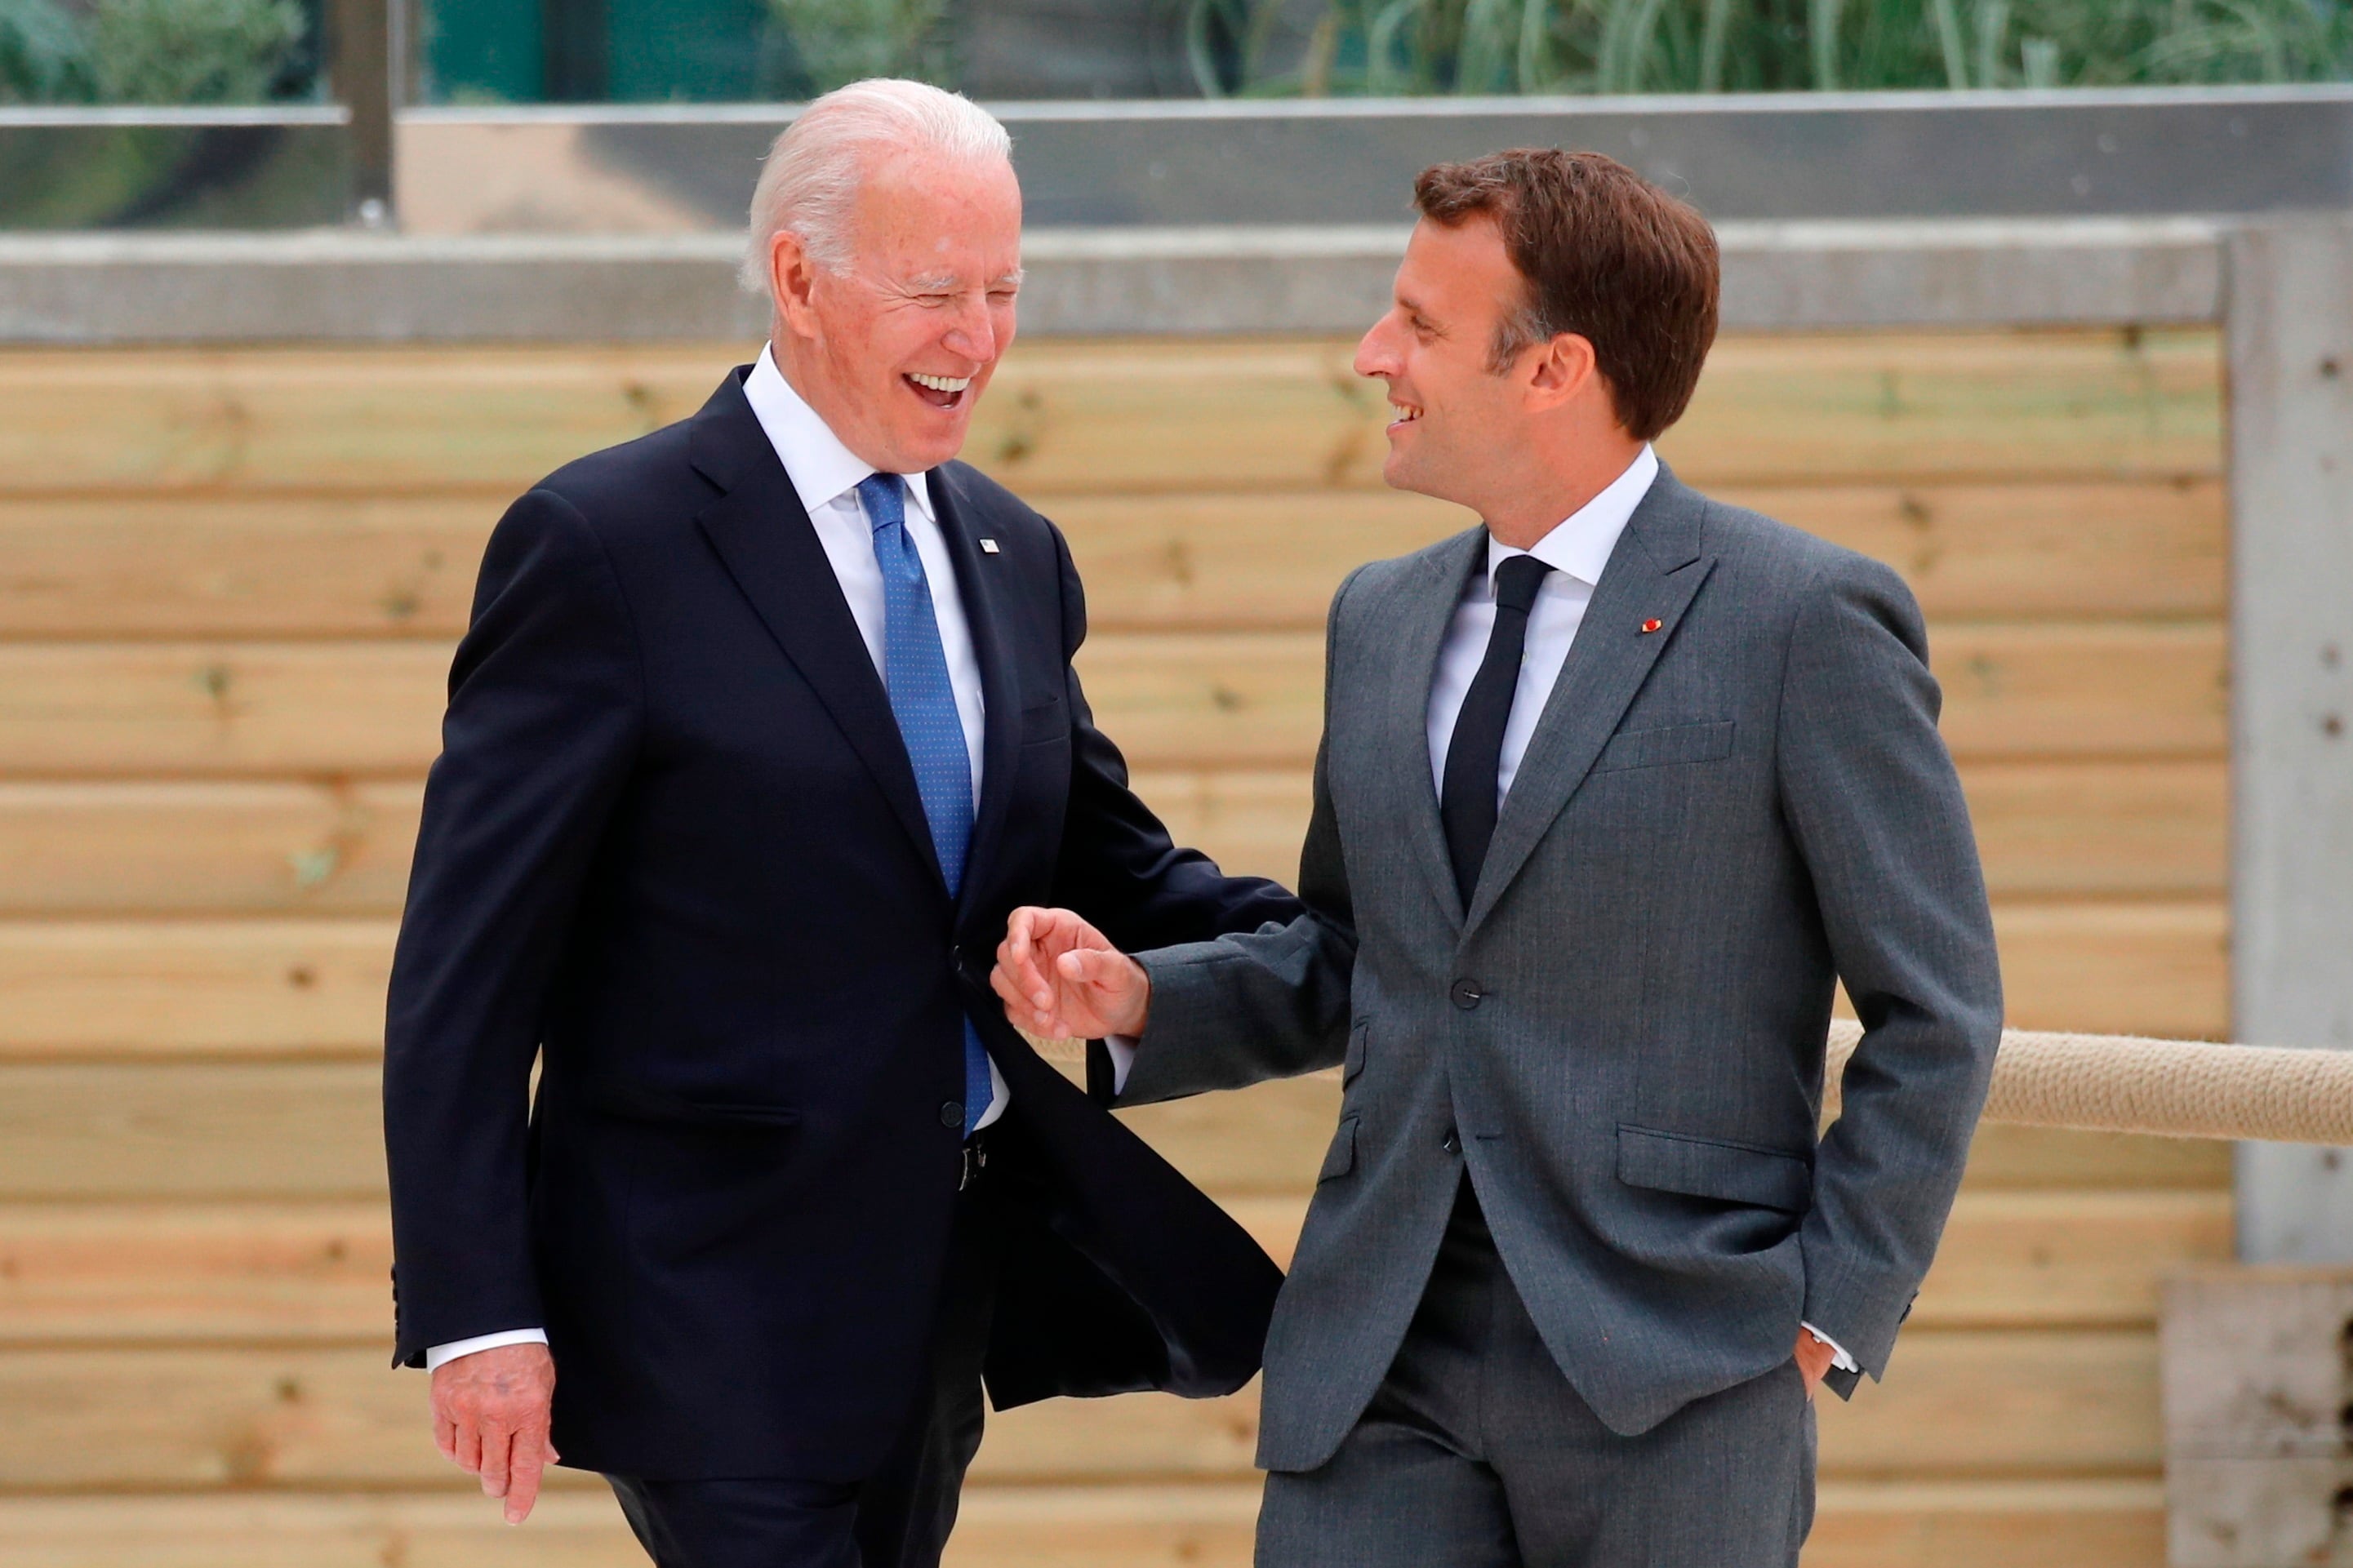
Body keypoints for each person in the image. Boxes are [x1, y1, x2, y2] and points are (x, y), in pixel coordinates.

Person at [994, 148, 2004, 1567]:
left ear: (1553, 370)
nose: (1370, 353)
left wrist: (1830, 1304)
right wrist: (1143, 1000)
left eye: (1417, 323)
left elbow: (1938, 1010)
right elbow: (1359, 953)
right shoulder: (1380, 617)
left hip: (1675, 1359)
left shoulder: (1803, 621)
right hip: (1377, 1345)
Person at [382, 78, 1300, 1568]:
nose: (978, 337)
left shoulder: (1012, 548)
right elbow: (464, 974)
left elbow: (1118, 866)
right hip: (704, 1303)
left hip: (935, 1295)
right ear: (799, 280)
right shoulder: (605, 546)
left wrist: (1393, 923)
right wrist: (481, 1311)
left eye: (1003, 290)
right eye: (934, 292)